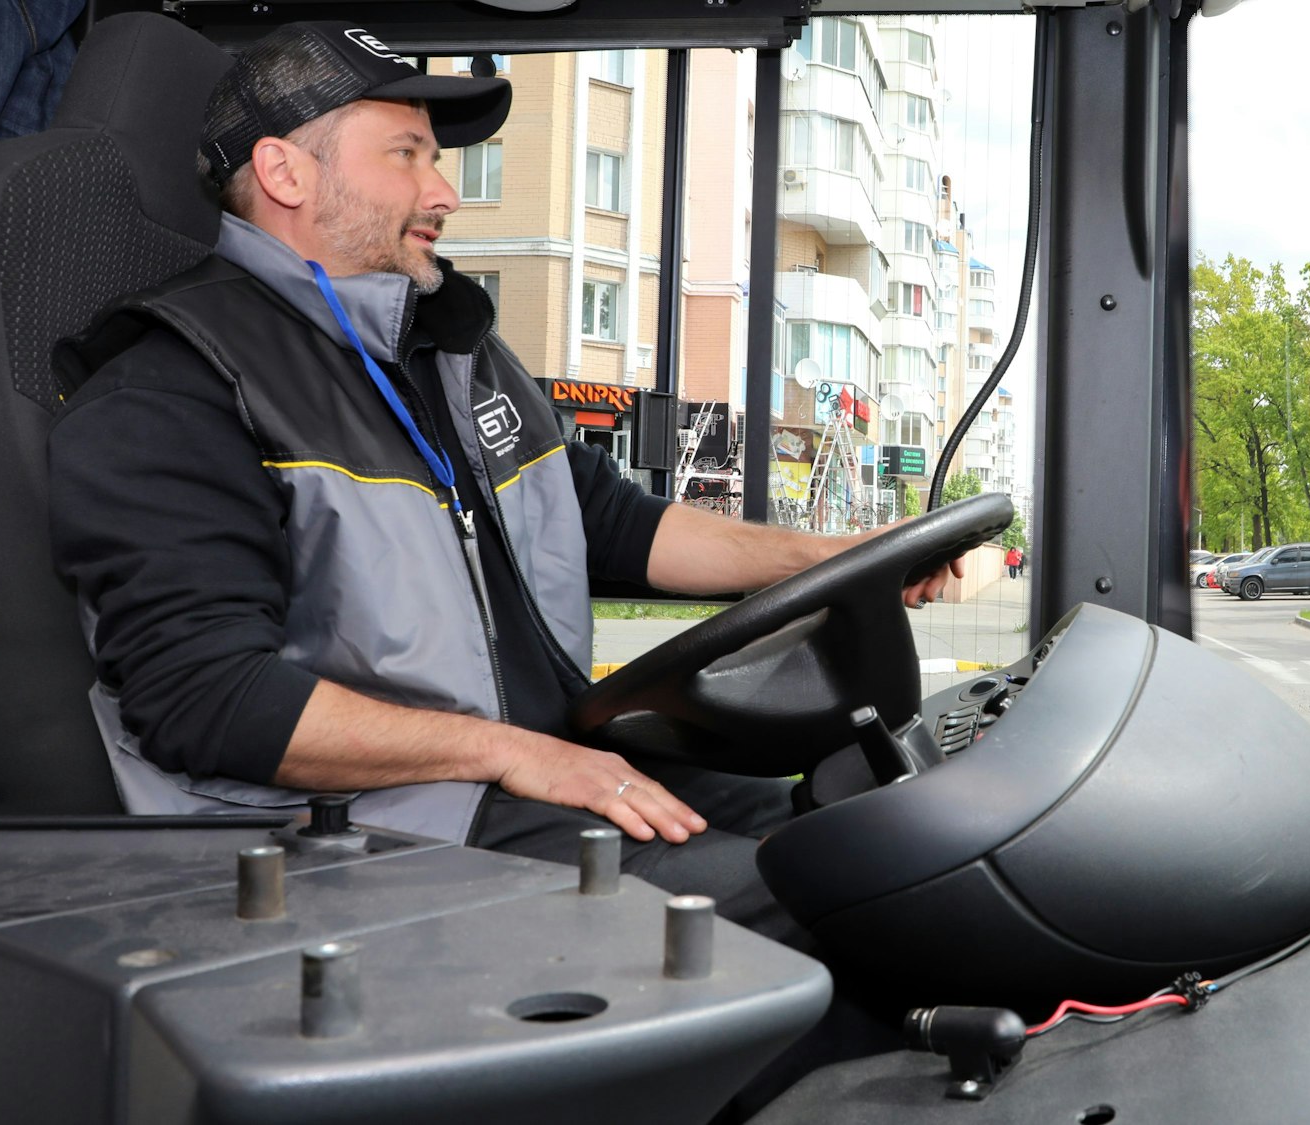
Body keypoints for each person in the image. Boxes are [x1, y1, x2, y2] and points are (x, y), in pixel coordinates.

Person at [46, 22, 960, 945]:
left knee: (858, 834)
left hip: (516, 771)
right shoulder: (178, 385)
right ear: (286, 174)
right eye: (405, 155)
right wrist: (518, 752)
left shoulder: (451, 350)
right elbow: (207, 700)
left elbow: (607, 518)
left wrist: (840, 556)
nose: (443, 192)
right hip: (352, 834)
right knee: (813, 900)